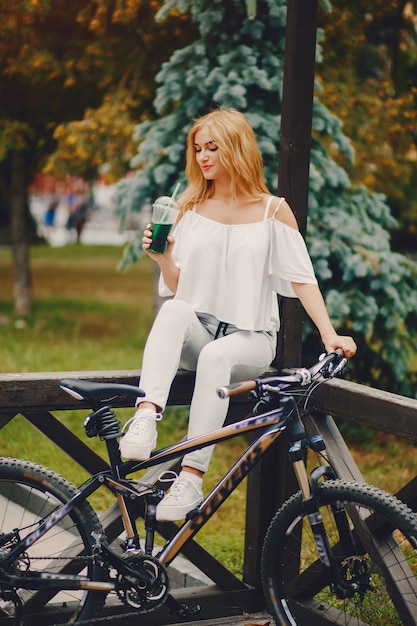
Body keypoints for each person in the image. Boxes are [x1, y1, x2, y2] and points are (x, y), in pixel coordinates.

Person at [119, 108, 357, 522]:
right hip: (201, 328)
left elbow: (303, 280)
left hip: (250, 338)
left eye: (213, 146)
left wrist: (329, 334)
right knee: (175, 310)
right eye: (198, 148)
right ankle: (145, 418)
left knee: (217, 357)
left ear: (237, 147)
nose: (203, 156)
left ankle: (191, 477)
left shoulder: (272, 211)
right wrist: (162, 259)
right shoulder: (190, 206)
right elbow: (180, 287)